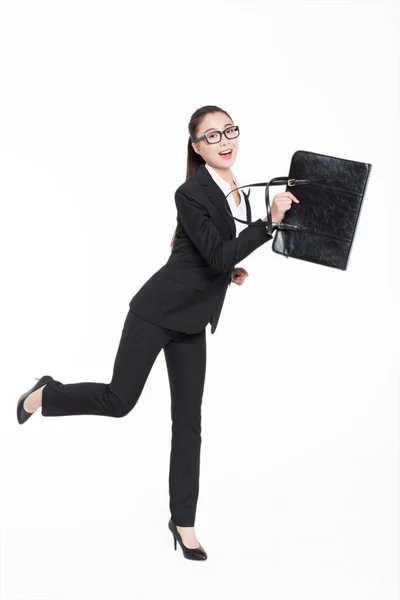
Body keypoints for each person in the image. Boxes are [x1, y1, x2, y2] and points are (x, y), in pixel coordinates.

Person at [16, 105, 299, 561]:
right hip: (156, 311)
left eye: (229, 130)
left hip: (191, 321)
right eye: (212, 135)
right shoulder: (188, 192)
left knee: (189, 423)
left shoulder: (233, 189)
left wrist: (226, 275)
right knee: (119, 401)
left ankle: (183, 522)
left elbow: (210, 256)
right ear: (196, 146)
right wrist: (269, 224)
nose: (225, 140)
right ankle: (47, 395)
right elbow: (216, 252)